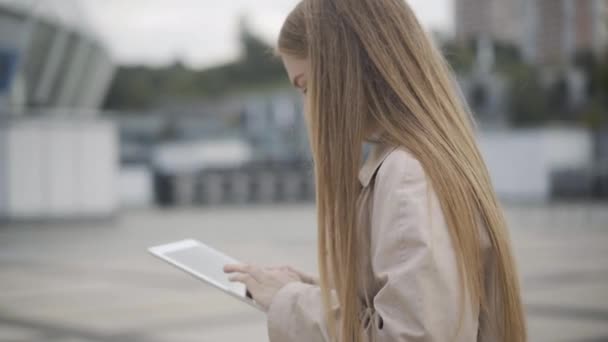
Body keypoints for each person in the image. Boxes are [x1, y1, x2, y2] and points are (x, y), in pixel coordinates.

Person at [224, 0, 527, 341]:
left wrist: (290, 302)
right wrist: (307, 292)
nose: (307, 108)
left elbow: (411, 337)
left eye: (307, 86)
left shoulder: (407, 175)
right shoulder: (424, 159)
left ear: (346, 70)